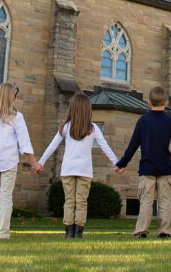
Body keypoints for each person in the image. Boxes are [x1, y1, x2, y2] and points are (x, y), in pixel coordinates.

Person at [115, 86, 171, 239]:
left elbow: (132, 146)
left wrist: (121, 164)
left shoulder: (143, 121)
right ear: (166, 103)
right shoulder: (170, 122)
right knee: (165, 201)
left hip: (147, 168)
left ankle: (141, 231)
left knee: (146, 201)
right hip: (165, 168)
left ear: (148, 103)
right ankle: (164, 232)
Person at [37, 91, 118, 239]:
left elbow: (52, 146)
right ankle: (78, 231)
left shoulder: (66, 127)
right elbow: (105, 146)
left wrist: (41, 162)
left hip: (68, 169)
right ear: (88, 110)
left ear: (72, 109)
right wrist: (116, 163)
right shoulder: (92, 128)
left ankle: (69, 231)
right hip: (84, 170)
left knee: (69, 200)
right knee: (81, 201)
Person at [0, 82, 41, 239]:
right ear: (12, 97)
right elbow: (24, 143)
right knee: (5, 198)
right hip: (8, 162)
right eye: (16, 96)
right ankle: (3, 233)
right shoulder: (16, 117)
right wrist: (34, 163)